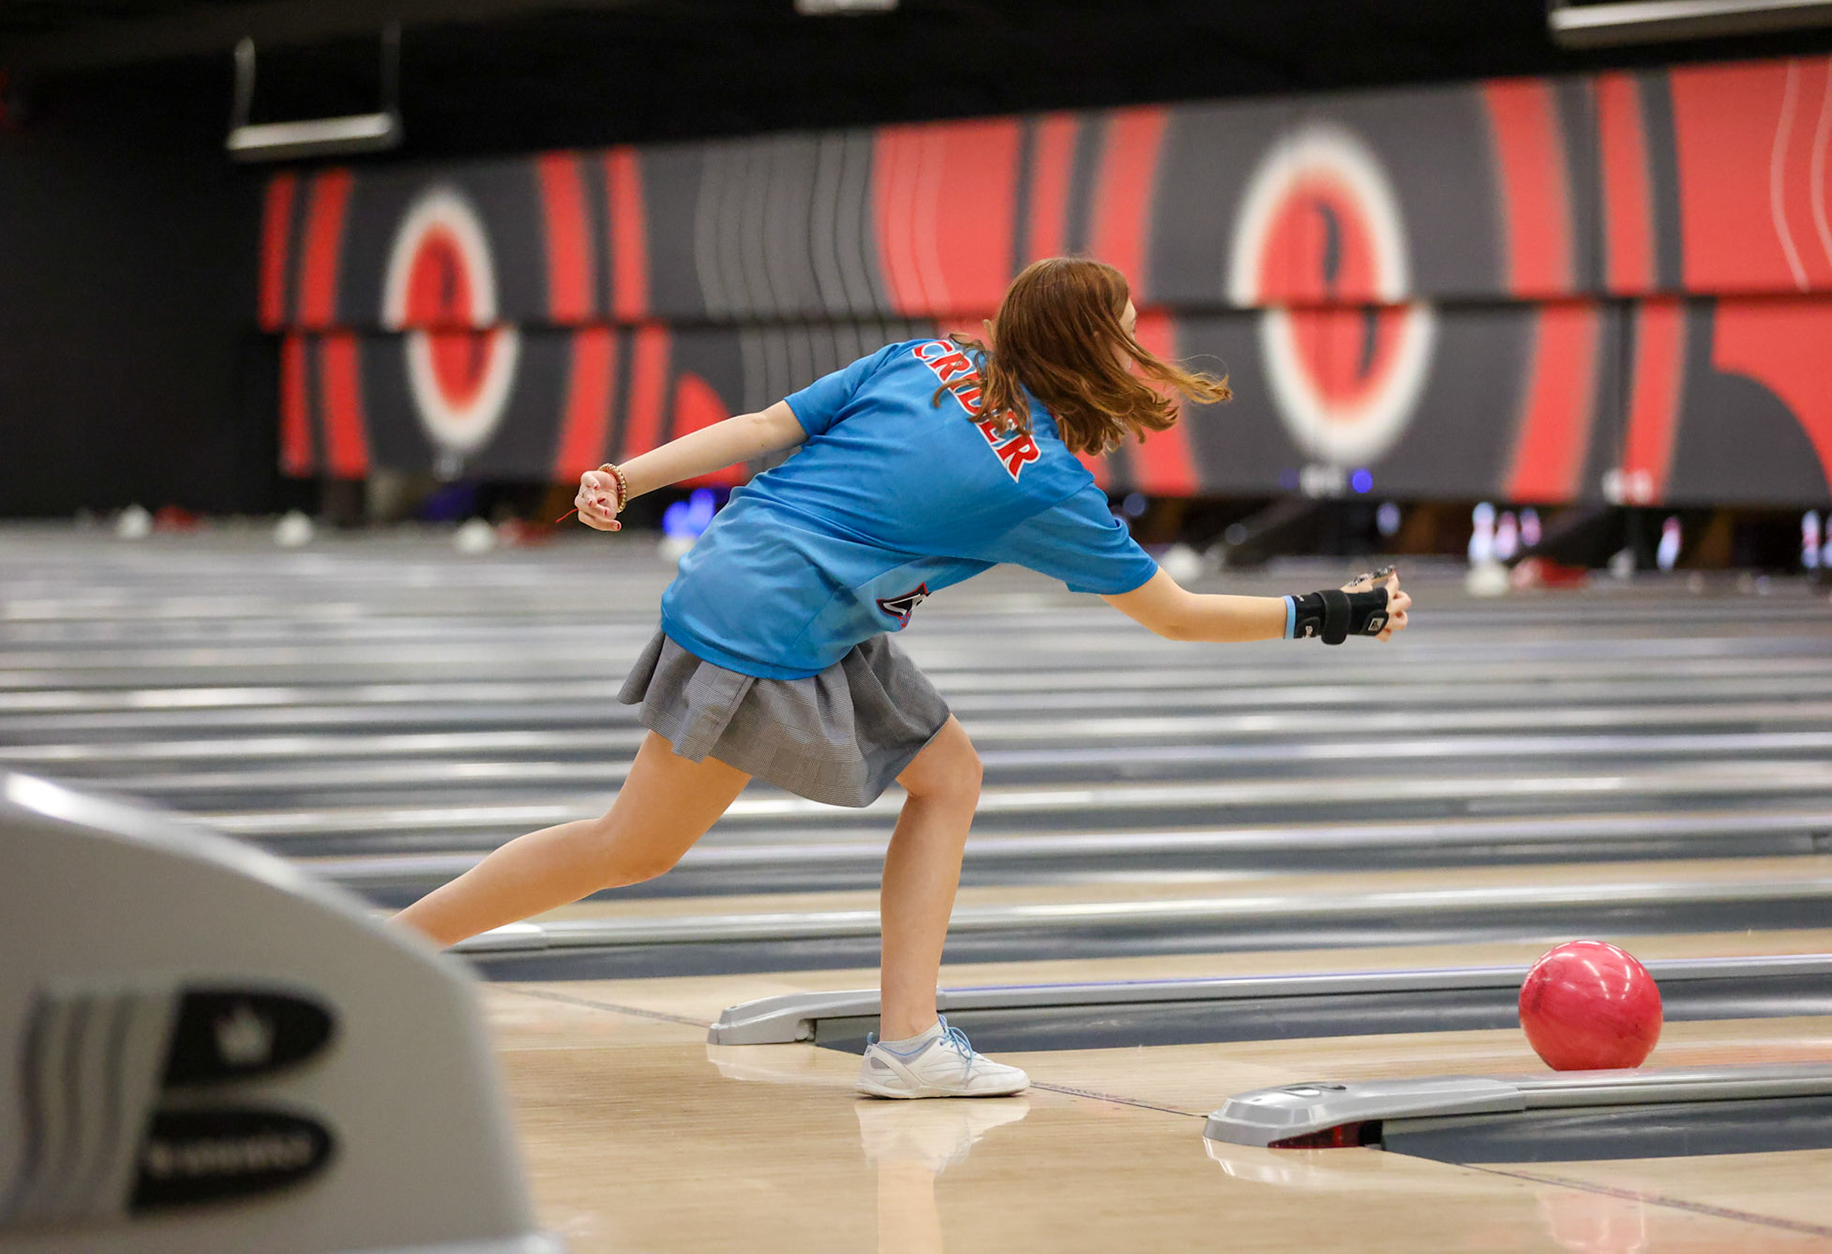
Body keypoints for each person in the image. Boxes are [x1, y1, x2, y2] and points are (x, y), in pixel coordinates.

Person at [391, 256, 1413, 1098]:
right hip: (777, 617)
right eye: (1128, 329)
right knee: (632, 844)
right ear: (1089, 348)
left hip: (769, 580)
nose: (1140, 344)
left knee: (948, 774)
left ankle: (910, 1042)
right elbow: (1174, 614)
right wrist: (1331, 614)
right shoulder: (1043, 479)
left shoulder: (926, 356)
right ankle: (389, 945)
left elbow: (762, 431)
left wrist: (629, 472)